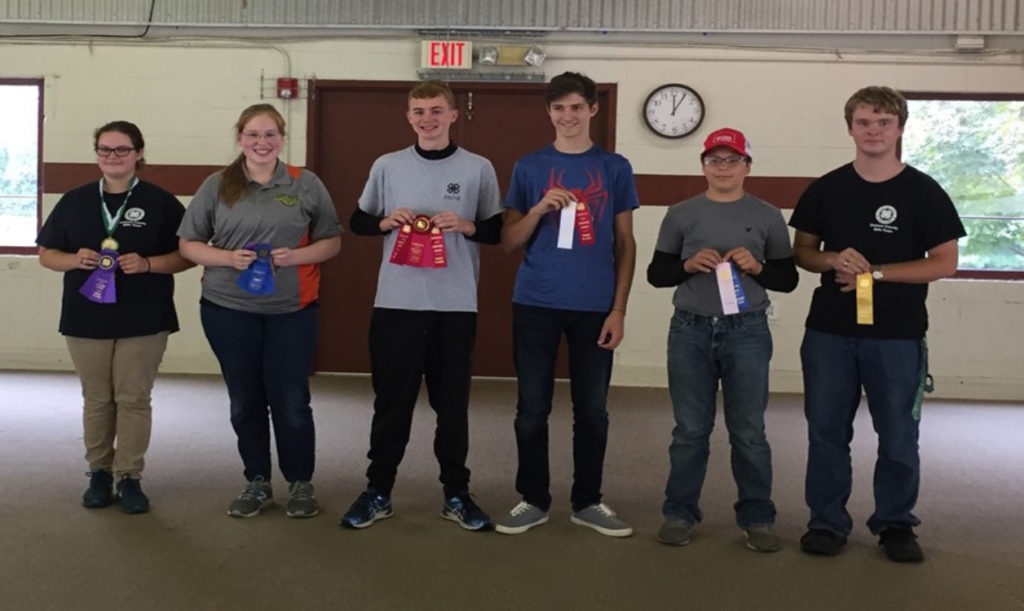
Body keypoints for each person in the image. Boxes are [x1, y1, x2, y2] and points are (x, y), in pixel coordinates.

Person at [789, 86, 965, 563]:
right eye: (864, 122)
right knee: (825, 431)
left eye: (883, 123)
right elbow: (802, 252)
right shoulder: (825, 188)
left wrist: (877, 274)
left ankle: (895, 524)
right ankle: (826, 522)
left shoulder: (924, 191)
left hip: (897, 336)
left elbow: (945, 261)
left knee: (899, 434)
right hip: (828, 333)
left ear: (900, 128)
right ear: (850, 128)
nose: (873, 131)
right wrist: (829, 259)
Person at [340, 81, 502, 532]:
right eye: (418, 111)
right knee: (391, 406)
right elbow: (358, 220)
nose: (426, 118)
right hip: (396, 305)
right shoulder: (387, 166)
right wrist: (384, 222)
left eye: (435, 110)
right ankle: (378, 492)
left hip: (454, 307)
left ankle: (456, 493)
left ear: (453, 115)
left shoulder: (478, 168)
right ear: (408, 117)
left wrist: (468, 225)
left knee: (453, 408)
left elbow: (495, 230)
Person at [178, 104, 342, 519]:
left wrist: (297, 255)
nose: (261, 142)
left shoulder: (306, 184)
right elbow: (188, 244)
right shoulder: (217, 184)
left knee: (291, 400)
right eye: (253, 135)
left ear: (282, 138)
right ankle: (257, 481)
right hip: (227, 309)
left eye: (270, 134)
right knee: (245, 400)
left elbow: (332, 242)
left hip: (292, 310)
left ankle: (301, 483)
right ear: (240, 139)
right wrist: (224, 258)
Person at [495, 71, 638, 537]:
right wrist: (537, 210)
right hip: (535, 302)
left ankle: (588, 500)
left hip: (595, 305)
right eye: (559, 108)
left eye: (577, 107)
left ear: (593, 110)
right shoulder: (529, 166)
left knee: (592, 409)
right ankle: (532, 498)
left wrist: (618, 309)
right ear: (549, 112)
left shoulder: (615, 167)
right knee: (532, 408)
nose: (568, 116)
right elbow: (508, 242)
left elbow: (625, 243)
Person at [646, 127, 798, 551]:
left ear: (748, 166)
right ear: (703, 166)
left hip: (747, 330)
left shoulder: (768, 215)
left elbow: (788, 279)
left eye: (732, 160)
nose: (723, 168)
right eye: (715, 160)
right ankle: (679, 512)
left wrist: (758, 268)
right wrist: (688, 264)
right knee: (689, 430)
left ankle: (757, 517)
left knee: (749, 431)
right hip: (690, 329)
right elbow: (656, 275)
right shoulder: (680, 213)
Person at [37, 120, 192, 514]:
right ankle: (99, 473)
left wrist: (149, 263)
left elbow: (187, 255)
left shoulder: (161, 202)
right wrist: (73, 259)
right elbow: (46, 253)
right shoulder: (74, 200)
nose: (112, 157)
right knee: (97, 399)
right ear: (96, 155)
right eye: (104, 150)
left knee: (133, 398)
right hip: (86, 316)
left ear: (139, 153)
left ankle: (130, 477)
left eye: (122, 149)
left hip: (144, 317)